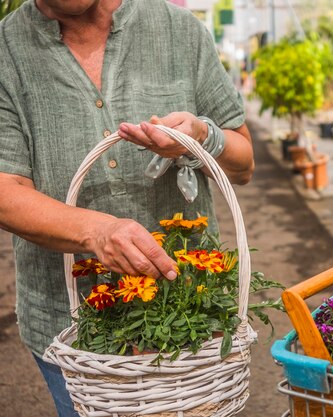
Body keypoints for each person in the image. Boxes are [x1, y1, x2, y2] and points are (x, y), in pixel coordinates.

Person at [0, 1, 254, 416]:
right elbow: (5, 189)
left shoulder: (178, 31)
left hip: (192, 317)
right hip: (74, 330)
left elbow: (243, 164)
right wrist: (95, 231)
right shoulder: (7, 50)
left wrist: (201, 136)